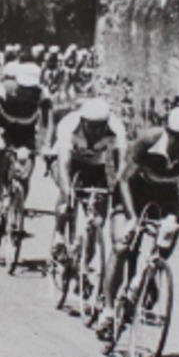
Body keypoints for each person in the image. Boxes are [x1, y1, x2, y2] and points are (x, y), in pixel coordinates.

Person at [103, 106, 179, 336]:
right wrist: (132, 218)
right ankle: (108, 311)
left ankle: (146, 275)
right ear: (168, 132)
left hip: (165, 194)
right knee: (121, 246)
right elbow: (123, 179)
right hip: (132, 193)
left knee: (167, 240)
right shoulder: (147, 141)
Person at [50, 96, 127, 266]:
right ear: (83, 121)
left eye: (102, 126)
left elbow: (122, 164)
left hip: (94, 165)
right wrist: (68, 190)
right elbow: (63, 166)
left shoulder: (116, 127)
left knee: (98, 218)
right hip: (67, 160)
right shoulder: (69, 124)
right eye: (92, 126)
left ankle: (83, 265)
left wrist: (116, 187)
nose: (97, 131)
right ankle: (59, 233)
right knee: (68, 193)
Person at [0, 62, 54, 215]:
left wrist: (46, 144)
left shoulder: (42, 92)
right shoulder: (4, 88)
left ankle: (18, 205)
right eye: (24, 87)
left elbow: (48, 123)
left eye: (31, 89)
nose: (27, 92)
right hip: (4, 129)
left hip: (26, 132)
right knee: (1, 160)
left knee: (26, 171)